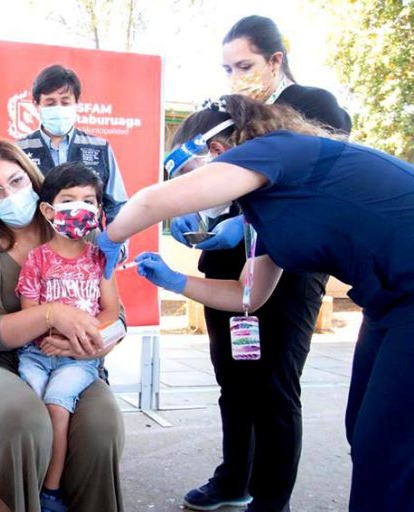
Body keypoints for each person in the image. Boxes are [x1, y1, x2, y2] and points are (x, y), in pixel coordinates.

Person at [97, 94, 414, 512]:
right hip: (387, 304)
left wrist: (109, 238)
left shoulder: (274, 150)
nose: (189, 195)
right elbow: (250, 297)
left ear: (215, 152)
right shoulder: (267, 208)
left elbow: (154, 202)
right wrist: (176, 280)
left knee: (385, 446)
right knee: (363, 428)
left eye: (186, 175)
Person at [166, 16, 352, 512]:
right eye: (227, 67)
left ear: (276, 59)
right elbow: (205, 175)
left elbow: (312, 186)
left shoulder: (314, 106)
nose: (235, 76)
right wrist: (190, 213)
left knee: (274, 386)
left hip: (289, 264)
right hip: (226, 262)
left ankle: (271, 501)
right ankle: (235, 478)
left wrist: (247, 225)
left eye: (244, 64)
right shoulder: (226, 114)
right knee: (233, 379)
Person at [0, 138, 125, 512]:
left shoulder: (76, 227)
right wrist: (51, 314)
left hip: (71, 362)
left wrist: (90, 343)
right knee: (21, 419)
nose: (10, 195)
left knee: (101, 425)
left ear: (33, 178)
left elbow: (117, 318)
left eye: (16, 181)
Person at [16, 161, 120, 511]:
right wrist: (52, 336)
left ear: (100, 209)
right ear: (48, 210)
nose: (80, 207)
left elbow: (109, 312)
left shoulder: (101, 260)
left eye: (89, 200)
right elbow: (30, 312)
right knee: (27, 407)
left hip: (79, 358)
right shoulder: (37, 259)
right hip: (36, 354)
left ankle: (50, 490)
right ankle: (22, 483)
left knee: (57, 406)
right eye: (69, 199)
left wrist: (75, 344)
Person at [17, 64, 128, 227]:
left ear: (77, 103)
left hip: (90, 245)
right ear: (36, 105)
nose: (58, 108)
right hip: (39, 246)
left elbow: (117, 205)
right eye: (50, 103)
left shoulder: (100, 148)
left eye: (65, 102)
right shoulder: (19, 150)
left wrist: (116, 245)